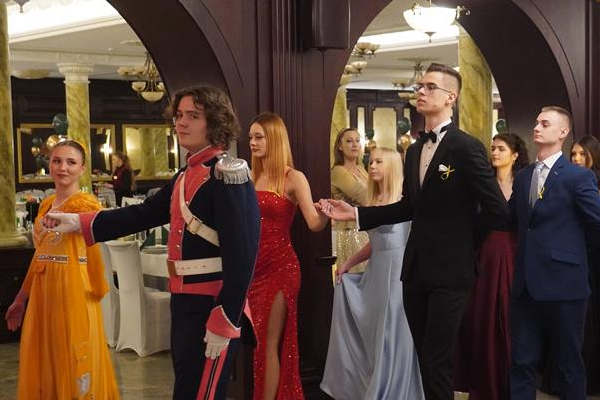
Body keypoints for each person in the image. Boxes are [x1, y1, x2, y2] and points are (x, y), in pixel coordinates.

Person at [43, 86, 261, 400]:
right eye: (179, 115)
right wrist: (80, 222)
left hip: (213, 304)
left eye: (193, 116)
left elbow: (243, 255)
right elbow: (144, 213)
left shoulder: (227, 175)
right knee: (187, 390)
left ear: (215, 122)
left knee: (203, 394)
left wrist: (226, 316)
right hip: (184, 301)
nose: (181, 122)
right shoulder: (186, 173)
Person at [319, 63, 507, 400]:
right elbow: (408, 207)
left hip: (451, 273)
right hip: (416, 270)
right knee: (423, 358)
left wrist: (463, 244)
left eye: (430, 87)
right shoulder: (415, 149)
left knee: (437, 360)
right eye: (420, 86)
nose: (421, 91)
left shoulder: (466, 147)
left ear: (451, 97)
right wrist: (357, 213)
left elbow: (497, 210)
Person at [5, 139, 120, 400]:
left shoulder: (88, 207)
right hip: (44, 293)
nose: (63, 167)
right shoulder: (45, 206)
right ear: (49, 164)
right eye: (57, 161)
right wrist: (21, 298)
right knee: (47, 356)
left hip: (74, 290)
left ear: (82, 169)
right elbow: (40, 257)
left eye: (71, 162)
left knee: (75, 355)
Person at [509, 106, 600, 400]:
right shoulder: (523, 177)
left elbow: (596, 222)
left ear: (563, 132)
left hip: (565, 286)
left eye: (545, 123)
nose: (537, 127)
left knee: (568, 364)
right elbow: (510, 221)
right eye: (536, 122)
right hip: (525, 286)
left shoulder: (577, 176)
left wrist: (574, 253)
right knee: (521, 362)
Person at [320, 147, 424, 400]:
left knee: (394, 331)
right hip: (377, 272)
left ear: (392, 166)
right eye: (371, 161)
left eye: (378, 161)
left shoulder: (404, 202)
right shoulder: (372, 202)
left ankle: (395, 391)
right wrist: (348, 263)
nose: (372, 166)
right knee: (377, 332)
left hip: (398, 274)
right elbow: (375, 244)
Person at [247, 112, 328, 400]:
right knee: (257, 343)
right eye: (251, 137)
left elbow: (313, 223)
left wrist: (325, 213)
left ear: (275, 139)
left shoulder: (293, 178)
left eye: (259, 137)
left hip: (280, 268)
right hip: (252, 269)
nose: (252, 143)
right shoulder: (251, 176)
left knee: (268, 343)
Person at [453, 133, 529, 400]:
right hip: (484, 254)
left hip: (514, 253)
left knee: (510, 319)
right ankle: (484, 385)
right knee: (481, 317)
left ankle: (511, 386)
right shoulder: (482, 183)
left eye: (501, 149)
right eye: (493, 148)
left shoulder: (524, 183)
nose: (494, 152)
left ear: (515, 155)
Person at [540, 134, 600, 396]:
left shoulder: (590, 183)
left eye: (582, 154)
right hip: (575, 258)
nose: (576, 159)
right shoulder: (563, 181)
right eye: (573, 154)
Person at [331, 128, 369, 273]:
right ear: (340, 146)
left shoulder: (361, 169)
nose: (354, 144)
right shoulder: (338, 171)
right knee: (355, 276)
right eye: (349, 141)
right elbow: (363, 196)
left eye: (357, 141)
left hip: (365, 228)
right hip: (350, 231)